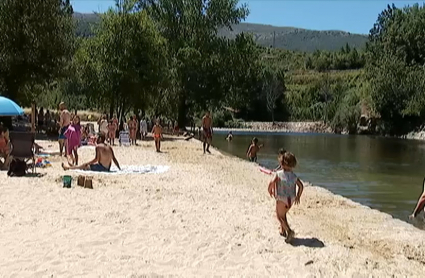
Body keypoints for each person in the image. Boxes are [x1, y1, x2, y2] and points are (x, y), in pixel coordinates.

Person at [268, 151, 304, 243]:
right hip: (291, 199)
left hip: (281, 198)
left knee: (279, 216)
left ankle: (289, 231)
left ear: (282, 163)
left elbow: (272, 182)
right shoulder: (293, 176)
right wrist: (298, 196)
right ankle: (282, 230)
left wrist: (270, 190)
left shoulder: (279, 173)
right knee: (283, 215)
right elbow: (301, 186)